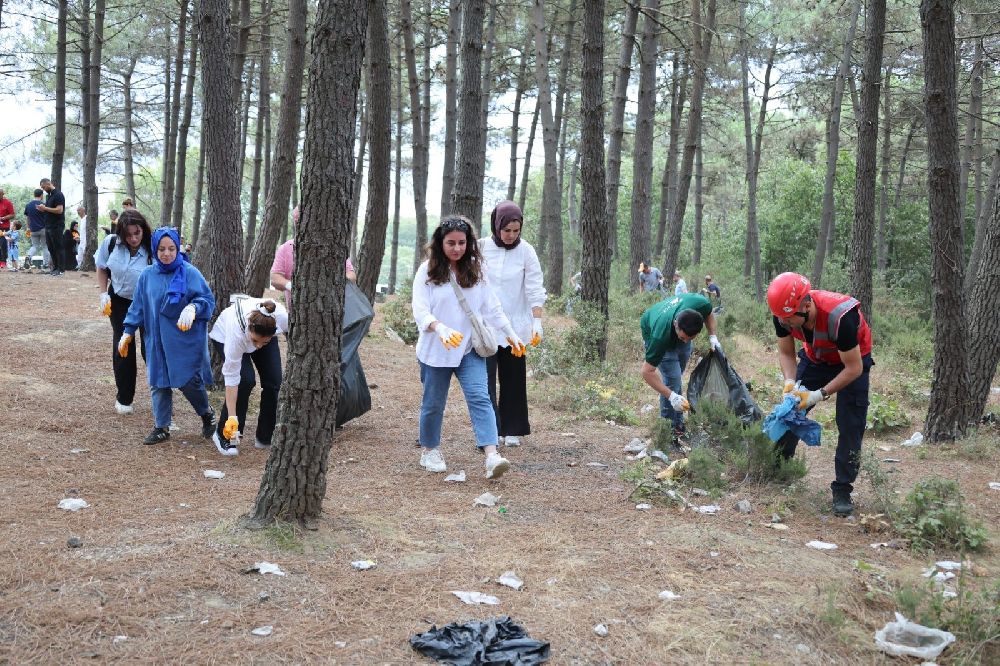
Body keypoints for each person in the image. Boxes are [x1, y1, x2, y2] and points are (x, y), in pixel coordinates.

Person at [411, 215, 526, 478]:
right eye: (451, 243)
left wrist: (510, 332)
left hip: (468, 349)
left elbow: (491, 306)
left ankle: (491, 455)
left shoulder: (476, 269)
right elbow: (420, 309)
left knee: (480, 397)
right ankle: (430, 449)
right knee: (433, 403)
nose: (457, 248)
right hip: (436, 350)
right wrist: (439, 328)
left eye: (462, 243)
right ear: (440, 243)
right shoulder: (427, 271)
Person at [766, 272, 874, 517]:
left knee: (851, 424)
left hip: (853, 361)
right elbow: (786, 353)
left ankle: (842, 489)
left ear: (806, 305)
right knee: (790, 410)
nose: (785, 323)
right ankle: (780, 466)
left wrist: (819, 394)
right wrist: (791, 383)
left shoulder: (841, 318)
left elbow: (853, 368)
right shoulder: (783, 316)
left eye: (789, 318)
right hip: (816, 358)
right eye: (781, 319)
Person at [120, 227, 216, 445]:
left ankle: (207, 414)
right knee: (159, 382)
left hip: (183, 341)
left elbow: (207, 300)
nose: (166, 253)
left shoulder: (190, 273)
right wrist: (127, 331)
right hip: (156, 340)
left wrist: (193, 308)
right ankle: (161, 426)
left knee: (188, 381)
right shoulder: (147, 275)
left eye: (171, 248)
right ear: (154, 249)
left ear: (177, 248)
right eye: (161, 249)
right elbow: (138, 306)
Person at [478, 201, 546, 447]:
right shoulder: (482, 247)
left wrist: (536, 320)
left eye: (516, 231)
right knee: (484, 379)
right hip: (486, 325)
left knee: (514, 378)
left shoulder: (526, 251)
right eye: (506, 230)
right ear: (497, 226)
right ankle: (490, 429)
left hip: (516, 325)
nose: (511, 235)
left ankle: (512, 428)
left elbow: (534, 286)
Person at [208, 297, 288, 456]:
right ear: (249, 330)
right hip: (224, 336)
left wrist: (263, 341)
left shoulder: (281, 318)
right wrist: (232, 417)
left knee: (274, 382)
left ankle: (265, 436)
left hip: (263, 333)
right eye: (255, 341)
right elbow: (232, 378)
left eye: (262, 343)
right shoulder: (236, 334)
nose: (257, 347)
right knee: (245, 380)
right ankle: (225, 435)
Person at [640, 292, 721, 446]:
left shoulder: (700, 303)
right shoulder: (660, 337)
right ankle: (668, 431)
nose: (685, 342)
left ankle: (679, 424)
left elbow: (709, 313)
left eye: (690, 339)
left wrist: (713, 337)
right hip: (653, 327)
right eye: (683, 338)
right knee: (672, 382)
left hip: (676, 326)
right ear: (676, 324)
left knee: (677, 378)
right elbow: (646, 372)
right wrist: (671, 396)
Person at [95, 208, 153, 415]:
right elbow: (102, 267)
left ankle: (161, 395)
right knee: (123, 346)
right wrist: (103, 294)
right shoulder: (111, 243)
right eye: (128, 234)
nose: (133, 238)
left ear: (143, 229)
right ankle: (124, 397)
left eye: (137, 233)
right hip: (119, 302)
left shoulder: (153, 246)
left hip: (148, 304)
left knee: (151, 349)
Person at [270, 206, 356, 306]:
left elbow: (352, 276)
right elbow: (275, 278)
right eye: (297, 221)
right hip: (297, 315)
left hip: (332, 312)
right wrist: (293, 287)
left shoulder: (333, 248)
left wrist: (332, 285)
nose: (300, 225)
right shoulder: (285, 248)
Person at [37, 178, 66, 276]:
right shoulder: (49, 196)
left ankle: (61, 269)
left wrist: (45, 208)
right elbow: (50, 210)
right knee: (51, 247)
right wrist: (43, 209)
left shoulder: (58, 194)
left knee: (58, 247)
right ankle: (55, 268)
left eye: (44, 187)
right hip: (48, 225)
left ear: (48, 183)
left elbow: (59, 210)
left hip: (56, 225)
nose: (43, 189)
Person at [23, 189, 49, 270]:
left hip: (33, 229)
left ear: (34, 195)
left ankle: (29, 257)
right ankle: (45, 265)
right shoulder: (44, 205)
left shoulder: (28, 205)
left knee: (35, 246)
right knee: (45, 247)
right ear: (41, 195)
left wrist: (28, 228)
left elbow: (28, 218)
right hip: (43, 229)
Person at [0, 189, 14, 269]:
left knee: (3, 244)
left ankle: (3, 261)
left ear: (2, 194)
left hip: (4, 227)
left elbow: (12, 214)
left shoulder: (7, 203)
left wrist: (3, 218)